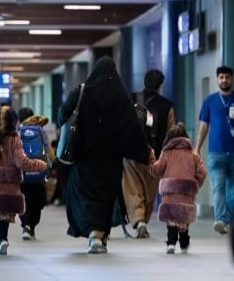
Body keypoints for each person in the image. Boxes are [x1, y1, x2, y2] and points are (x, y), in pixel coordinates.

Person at [58, 56, 151, 254]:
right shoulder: (121, 96)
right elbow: (133, 128)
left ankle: (94, 234)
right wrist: (142, 152)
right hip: (111, 160)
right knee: (106, 197)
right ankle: (100, 234)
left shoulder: (82, 91)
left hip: (85, 158)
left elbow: (62, 114)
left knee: (85, 195)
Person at [0, 106, 47, 255]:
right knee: (4, 214)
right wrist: (41, 165)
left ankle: (1, 239)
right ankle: (1, 239)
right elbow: (22, 162)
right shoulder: (14, 139)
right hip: (10, 187)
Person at [195, 65, 234, 235]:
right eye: (221, 77)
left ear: (232, 79)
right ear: (217, 79)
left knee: (233, 191)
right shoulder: (209, 101)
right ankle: (221, 219)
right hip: (216, 153)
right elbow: (203, 126)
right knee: (218, 188)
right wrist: (197, 148)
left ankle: (228, 220)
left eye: (227, 77)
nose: (224, 80)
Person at [123, 69, 175, 238]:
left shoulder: (130, 99)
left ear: (144, 82)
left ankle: (139, 221)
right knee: (149, 191)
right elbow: (170, 133)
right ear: (160, 85)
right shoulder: (167, 105)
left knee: (133, 188)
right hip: (155, 155)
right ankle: (143, 219)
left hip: (131, 153)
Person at [149, 122, 207, 254]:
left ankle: (171, 243)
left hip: (170, 194)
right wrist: (194, 185)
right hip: (186, 194)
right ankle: (184, 244)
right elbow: (202, 173)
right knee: (183, 220)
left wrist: (151, 158)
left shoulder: (166, 153)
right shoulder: (193, 155)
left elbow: (157, 170)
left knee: (172, 220)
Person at [16, 107, 55, 241]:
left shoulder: (17, 132)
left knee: (24, 199)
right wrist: (50, 165)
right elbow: (49, 152)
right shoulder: (40, 130)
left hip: (22, 173)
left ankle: (26, 226)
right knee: (38, 201)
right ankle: (30, 227)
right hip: (38, 171)